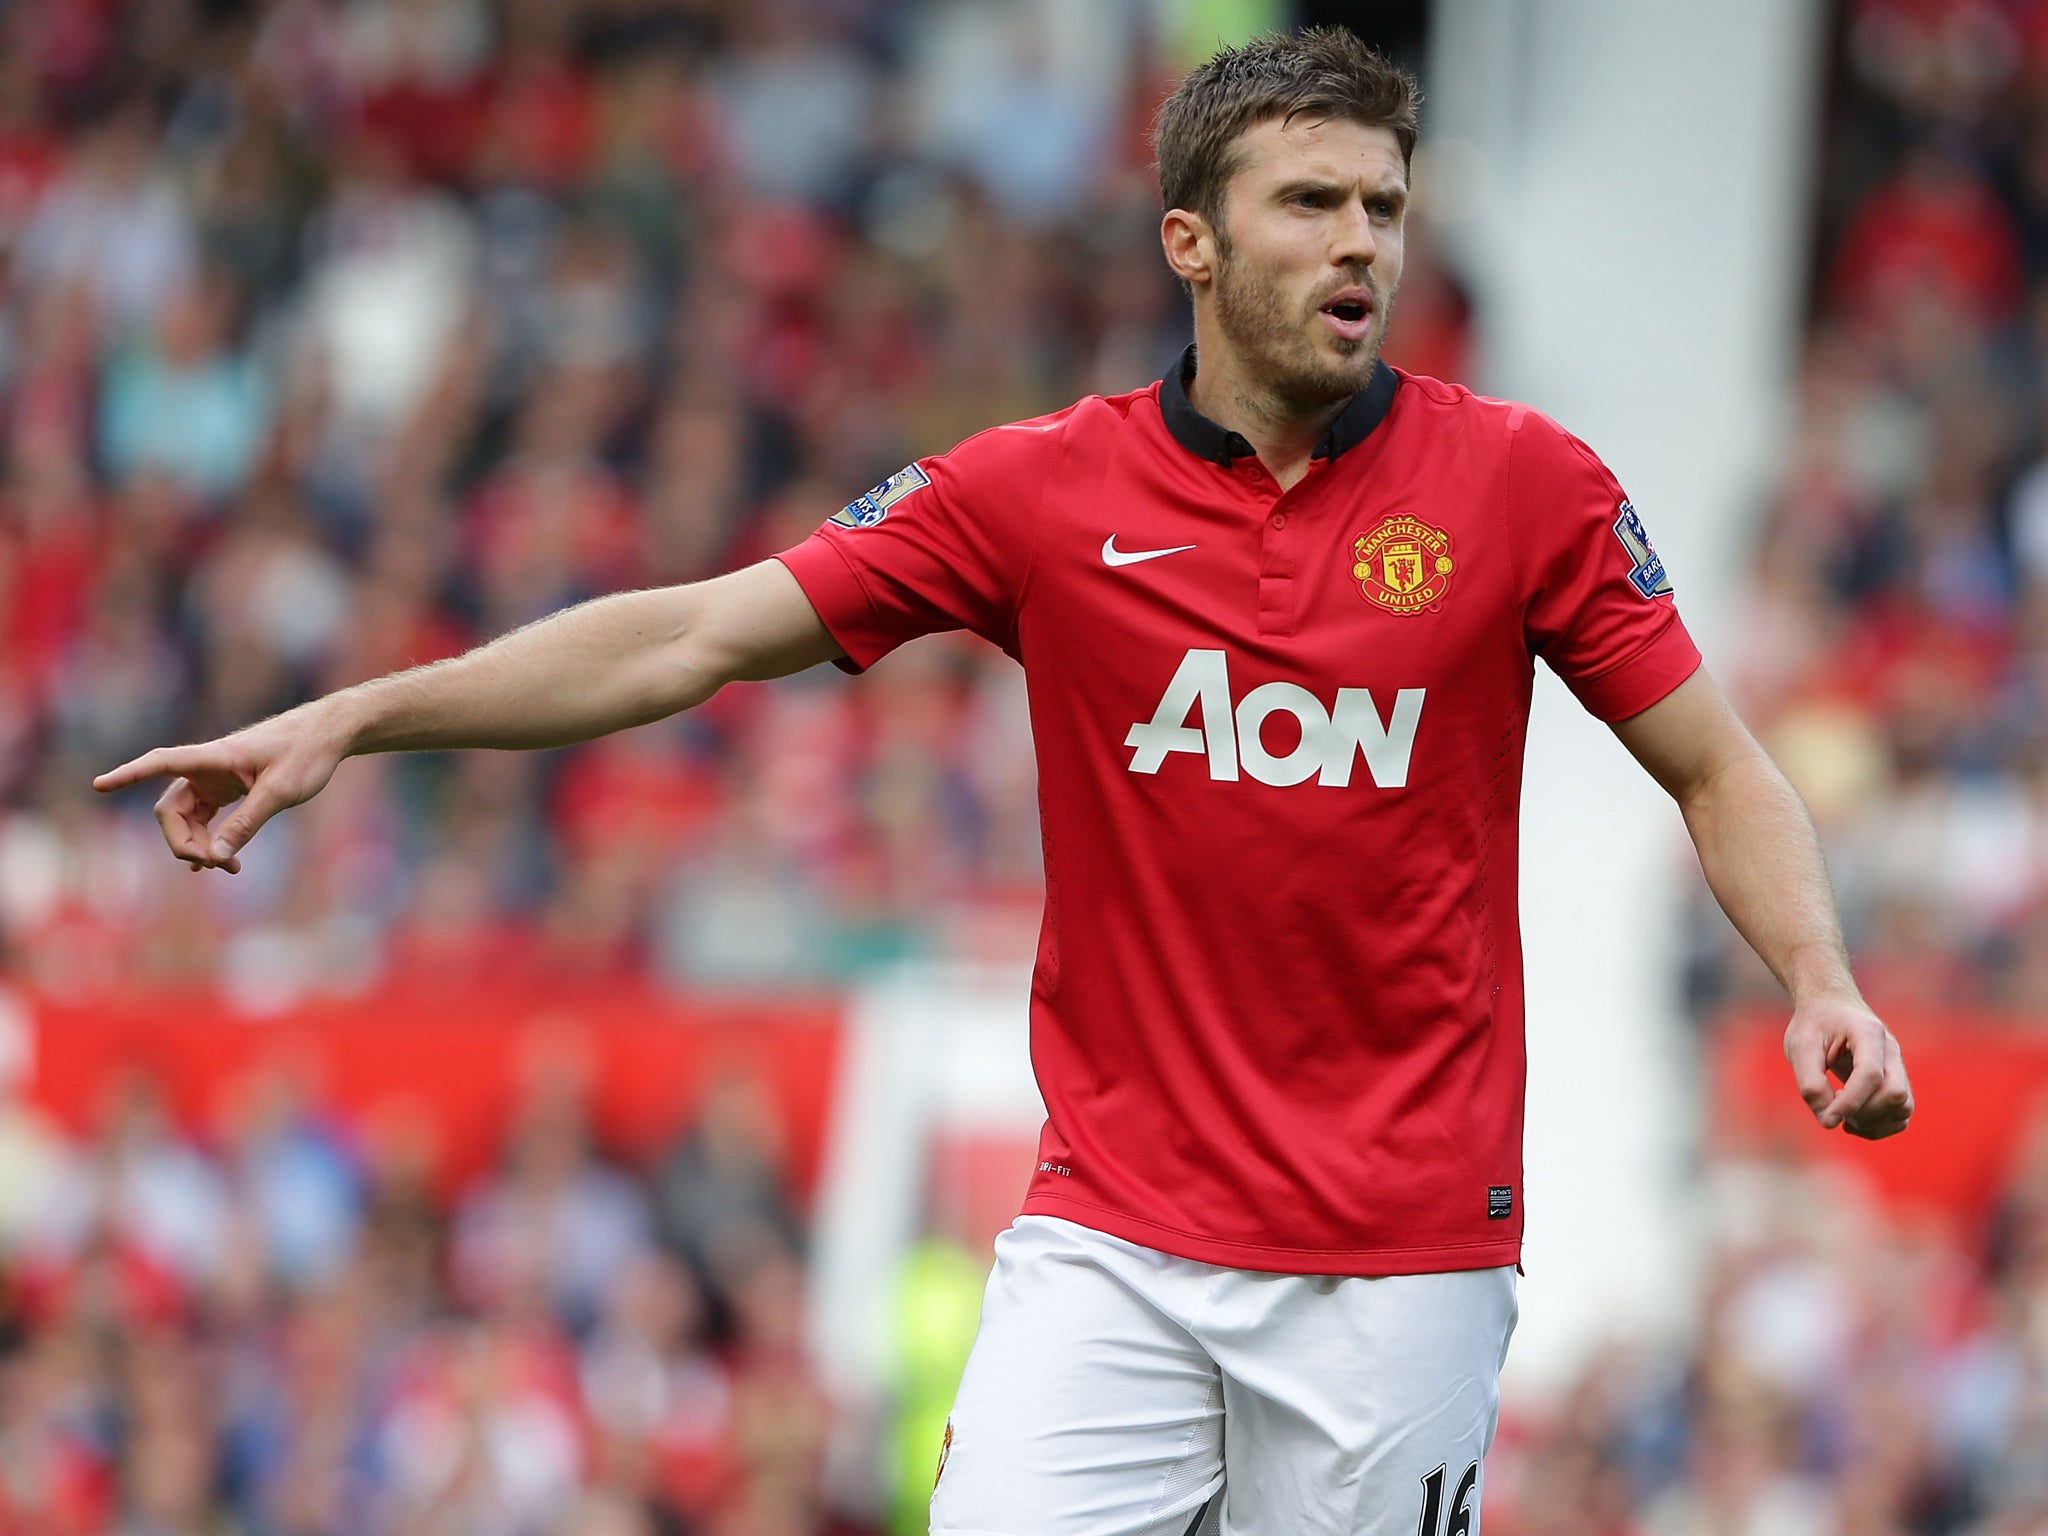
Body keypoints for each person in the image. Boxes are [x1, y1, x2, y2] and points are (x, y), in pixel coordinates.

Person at [96, 28, 1914, 1536]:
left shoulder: (1528, 490)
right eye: (1309, 204)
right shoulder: (1037, 495)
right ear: (1190, 243)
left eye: (1383, 205)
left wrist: (1820, 977)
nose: (1360, 243)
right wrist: (351, 719)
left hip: (1401, 1260)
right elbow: (694, 637)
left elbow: (1714, 764)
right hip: (1114, 1232)